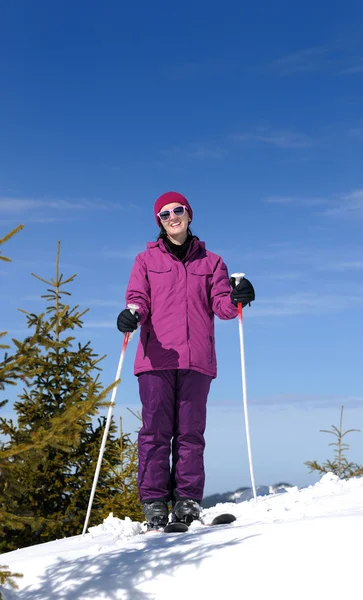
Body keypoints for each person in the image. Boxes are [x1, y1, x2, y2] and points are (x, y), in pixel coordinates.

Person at [117, 191, 255, 528]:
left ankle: (188, 503)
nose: (173, 217)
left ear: (189, 215)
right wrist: (131, 315)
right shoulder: (145, 261)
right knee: (155, 432)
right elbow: (138, 298)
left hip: (196, 360)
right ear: (159, 223)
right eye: (165, 214)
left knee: (191, 433)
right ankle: (154, 504)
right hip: (156, 359)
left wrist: (239, 298)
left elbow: (221, 305)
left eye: (178, 210)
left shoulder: (212, 262)